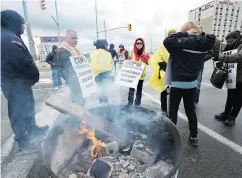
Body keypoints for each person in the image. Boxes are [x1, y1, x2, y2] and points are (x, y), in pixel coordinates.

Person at [1, 10, 49, 149]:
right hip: (15, 83)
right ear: (15, 24)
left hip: (18, 82)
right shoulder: (9, 38)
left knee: (27, 107)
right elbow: (22, 61)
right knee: (18, 110)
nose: (23, 28)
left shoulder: (8, 35)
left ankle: (32, 129)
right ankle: (22, 139)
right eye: (22, 25)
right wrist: (34, 75)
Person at [163, 22, 215, 147]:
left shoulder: (182, 43)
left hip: (177, 84)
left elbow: (167, 41)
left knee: (173, 111)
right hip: (192, 84)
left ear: (187, 31)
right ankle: (194, 136)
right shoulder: (202, 45)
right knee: (190, 111)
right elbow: (211, 49)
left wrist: (184, 33)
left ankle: (171, 136)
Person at [215, 30, 242, 126]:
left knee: (238, 99)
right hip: (231, 74)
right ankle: (226, 113)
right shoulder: (231, 46)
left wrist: (223, 57)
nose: (229, 43)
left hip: (240, 78)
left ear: (237, 39)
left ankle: (232, 117)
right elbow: (226, 56)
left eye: (231, 41)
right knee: (230, 96)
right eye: (228, 41)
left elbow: (239, 56)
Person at [148, 28, 176, 116]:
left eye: (174, 34)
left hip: (176, 73)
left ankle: (172, 113)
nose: (172, 36)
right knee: (163, 93)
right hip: (165, 73)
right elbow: (158, 60)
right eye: (170, 34)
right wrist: (168, 67)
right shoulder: (162, 48)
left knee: (174, 94)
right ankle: (164, 111)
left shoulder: (179, 46)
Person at [56, 29, 85, 106]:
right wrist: (72, 80)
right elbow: (66, 68)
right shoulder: (63, 49)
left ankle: (80, 114)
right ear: (66, 38)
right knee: (78, 100)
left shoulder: (72, 49)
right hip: (74, 80)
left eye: (76, 38)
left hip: (78, 79)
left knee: (80, 99)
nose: (75, 40)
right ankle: (78, 116)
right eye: (73, 38)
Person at [90, 39, 114, 103]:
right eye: (106, 44)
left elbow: (91, 62)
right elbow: (110, 64)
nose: (107, 46)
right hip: (104, 73)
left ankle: (102, 101)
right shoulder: (107, 53)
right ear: (103, 44)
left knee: (101, 88)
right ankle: (104, 102)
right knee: (104, 88)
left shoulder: (93, 52)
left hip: (96, 74)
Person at [128, 38, 150, 106]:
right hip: (133, 75)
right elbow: (128, 61)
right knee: (131, 90)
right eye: (138, 43)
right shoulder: (131, 52)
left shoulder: (145, 52)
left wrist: (142, 55)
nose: (139, 44)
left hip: (141, 75)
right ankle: (130, 104)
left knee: (139, 91)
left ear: (143, 44)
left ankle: (137, 105)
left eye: (141, 43)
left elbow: (148, 62)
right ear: (135, 44)